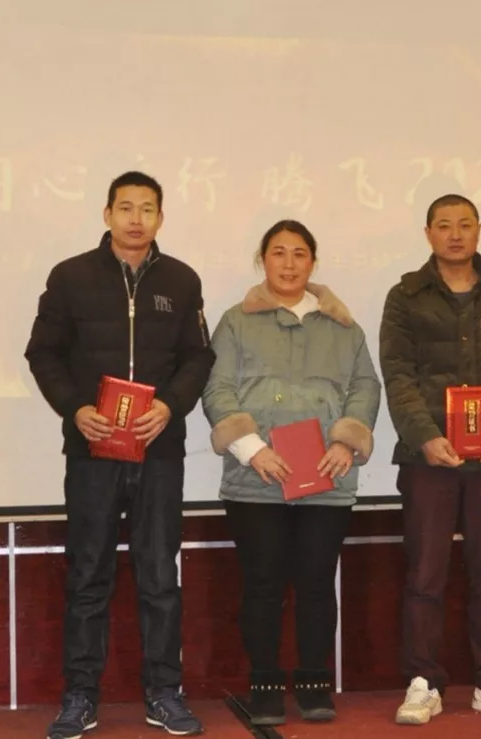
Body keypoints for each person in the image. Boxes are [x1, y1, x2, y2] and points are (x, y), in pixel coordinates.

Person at [25, 171, 214, 738]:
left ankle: (164, 693)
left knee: (159, 575)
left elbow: (198, 358)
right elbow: (43, 353)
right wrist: (75, 408)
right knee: (89, 574)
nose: (136, 219)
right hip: (93, 449)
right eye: (126, 207)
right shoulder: (70, 277)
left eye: (147, 208)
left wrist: (171, 407)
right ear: (107, 214)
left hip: (159, 451)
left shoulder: (181, 280)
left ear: (160, 217)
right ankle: (80, 696)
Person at [201, 220, 381, 727]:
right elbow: (217, 388)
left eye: (299, 253)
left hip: (327, 477)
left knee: (317, 584)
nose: (288, 263)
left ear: (313, 262)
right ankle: (263, 684)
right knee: (262, 585)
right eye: (278, 252)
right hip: (256, 479)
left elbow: (365, 388)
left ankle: (314, 682)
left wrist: (346, 441)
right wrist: (251, 448)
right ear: (262, 260)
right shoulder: (235, 322)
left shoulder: (344, 328)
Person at [379, 194, 481, 725]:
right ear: (428, 233)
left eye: (464, 224)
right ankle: (423, 682)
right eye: (444, 225)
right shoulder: (406, 295)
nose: (454, 234)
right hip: (428, 460)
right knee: (426, 574)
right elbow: (397, 373)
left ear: (478, 230)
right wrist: (424, 435)